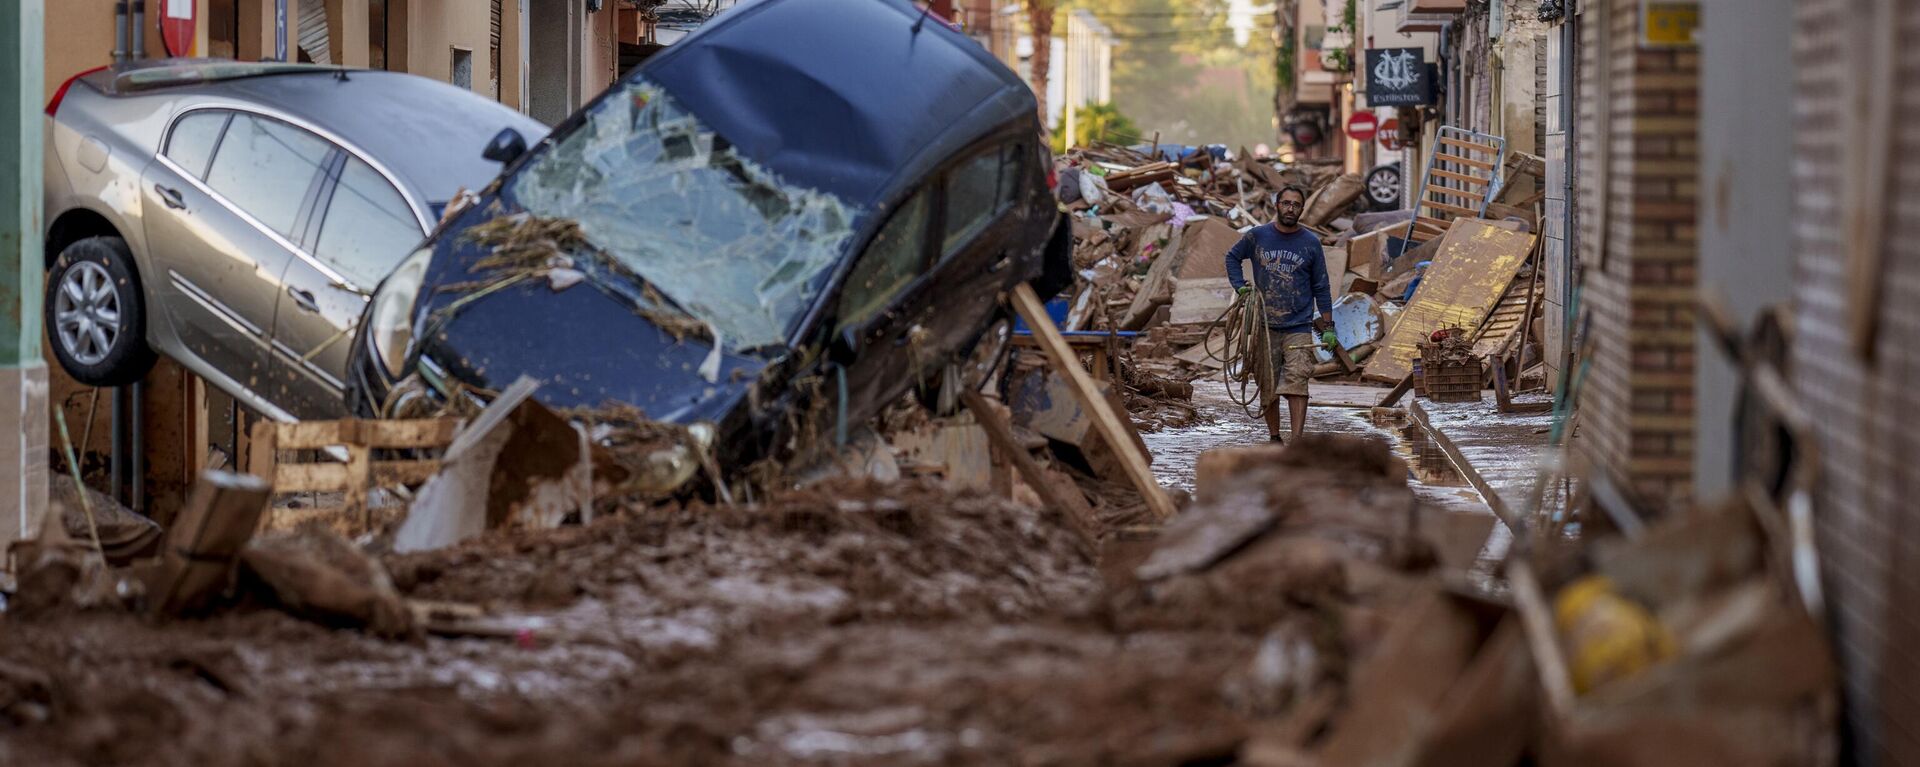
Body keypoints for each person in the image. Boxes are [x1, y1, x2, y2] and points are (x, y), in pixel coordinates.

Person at [1223, 184, 1335, 443]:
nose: (1290, 208)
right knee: (1267, 384)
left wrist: (1328, 328)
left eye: (1296, 204)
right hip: (1264, 323)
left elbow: (1322, 286)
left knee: (1298, 382)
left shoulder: (1311, 243)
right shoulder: (1257, 236)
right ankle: (1275, 437)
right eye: (1286, 203)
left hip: (1298, 325)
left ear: (1302, 209)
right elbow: (1232, 257)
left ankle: (1296, 440)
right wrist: (1240, 287)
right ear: (1277, 205)